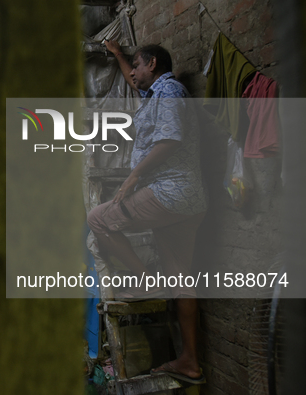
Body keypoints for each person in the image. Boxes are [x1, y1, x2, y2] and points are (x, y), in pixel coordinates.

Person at [87, 41, 208, 385]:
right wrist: (122, 57)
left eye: (139, 68)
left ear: (152, 64)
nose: (133, 76)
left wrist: (133, 178)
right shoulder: (157, 93)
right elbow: (133, 78)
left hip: (170, 193)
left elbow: (169, 139)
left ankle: (145, 281)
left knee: (98, 218)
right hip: (189, 202)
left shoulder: (169, 91)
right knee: (182, 278)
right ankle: (189, 360)